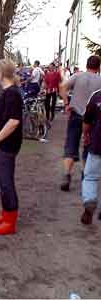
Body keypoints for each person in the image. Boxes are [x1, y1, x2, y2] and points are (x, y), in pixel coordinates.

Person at [0, 59, 23, 235]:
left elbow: (13, 122)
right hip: (3, 146)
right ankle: (5, 214)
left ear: (2, 73)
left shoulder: (12, 94)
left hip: (6, 146)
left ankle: (10, 222)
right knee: (3, 182)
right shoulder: (7, 92)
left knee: (6, 183)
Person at [60, 55, 101, 192]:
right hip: (92, 119)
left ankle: (67, 174)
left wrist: (66, 103)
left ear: (87, 64)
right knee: (88, 148)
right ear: (98, 67)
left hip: (76, 114)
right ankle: (85, 176)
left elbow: (63, 87)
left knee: (70, 145)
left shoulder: (78, 76)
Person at [81, 89, 101, 225]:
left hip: (99, 142)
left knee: (91, 176)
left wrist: (85, 134)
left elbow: (87, 120)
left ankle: (90, 201)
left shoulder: (97, 95)